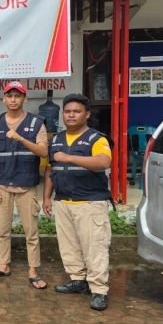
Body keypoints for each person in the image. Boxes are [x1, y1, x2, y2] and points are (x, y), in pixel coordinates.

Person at [42, 93, 113, 311]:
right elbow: (50, 169)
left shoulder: (96, 139)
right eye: (68, 111)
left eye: (77, 111)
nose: (71, 115)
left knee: (95, 248)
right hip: (64, 202)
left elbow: (103, 162)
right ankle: (78, 280)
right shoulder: (56, 139)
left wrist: (70, 157)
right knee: (69, 246)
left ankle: (99, 290)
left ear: (87, 114)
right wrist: (47, 196)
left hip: (89, 203)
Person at [0, 81, 49, 289]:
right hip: (2, 184)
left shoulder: (37, 123)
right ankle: (3, 265)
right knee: (2, 230)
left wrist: (21, 138)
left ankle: (33, 270)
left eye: (17, 96)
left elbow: (43, 152)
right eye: (9, 96)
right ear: (3, 99)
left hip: (26, 185)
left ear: (24, 99)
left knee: (31, 232)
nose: (13, 100)